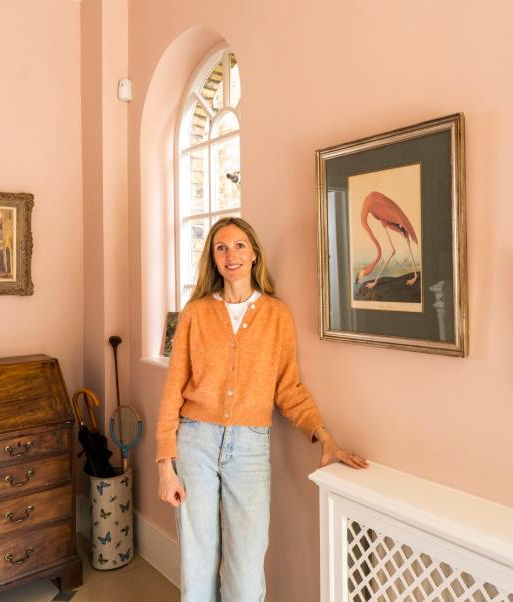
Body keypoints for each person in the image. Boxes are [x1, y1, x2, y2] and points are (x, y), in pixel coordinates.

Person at [155, 216, 368, 602]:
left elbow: (289, 388)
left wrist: (324, 437)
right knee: (197, 562)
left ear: (254, 254)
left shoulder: (276, 315)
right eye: (221, 247)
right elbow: (173, 391)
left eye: (239, 246)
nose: (230, 254)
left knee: (247, 568)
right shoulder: (196, 314)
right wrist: (164, 465)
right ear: (213, 259)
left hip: (250, 448)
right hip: (195, 442)